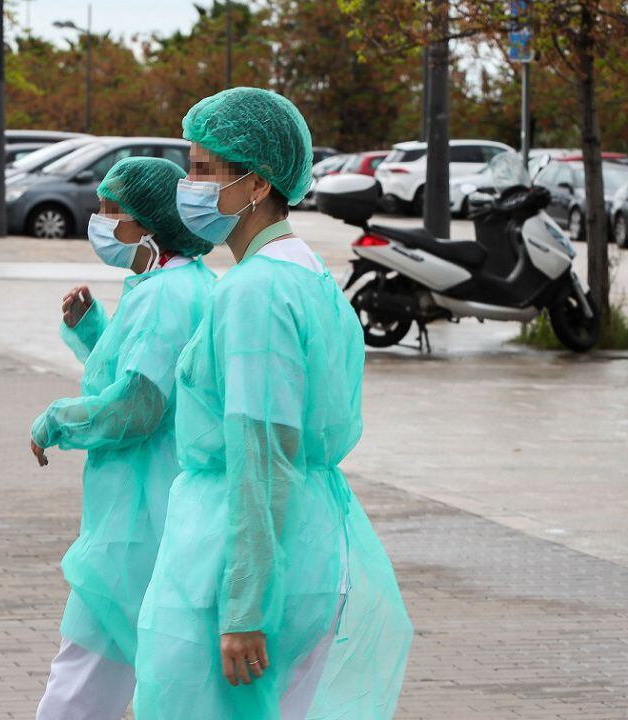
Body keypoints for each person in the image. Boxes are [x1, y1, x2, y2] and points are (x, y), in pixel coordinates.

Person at [133, 87, 411, 719]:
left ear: (256, 182)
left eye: (203, 169)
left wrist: (245, 605)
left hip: (245, 559)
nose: (188, 187)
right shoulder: (307, 273)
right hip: (305, 541)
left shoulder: (256, 292)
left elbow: (263, 454)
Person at [31, 157, 216, 720]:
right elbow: (145, 375)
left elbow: (137, 407)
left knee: (79, 686)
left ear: (149, 221)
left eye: (113, 210)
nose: (101, 220)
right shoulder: (174, 282)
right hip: (151, 507)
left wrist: (59, 420)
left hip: (139, 517)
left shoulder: (165, 295)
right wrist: (94, 332)